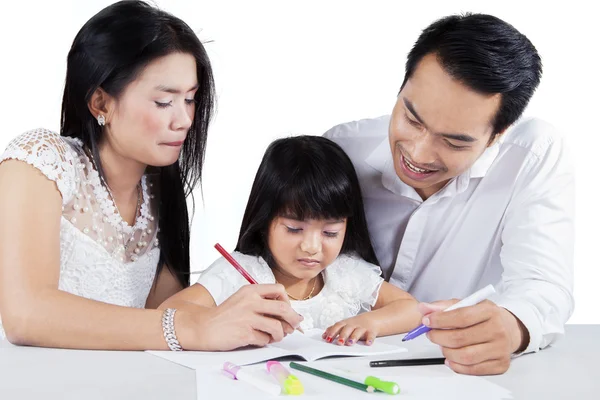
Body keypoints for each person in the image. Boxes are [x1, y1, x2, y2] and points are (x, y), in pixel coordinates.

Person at [0, 0, 302, 351]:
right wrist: (195, 327)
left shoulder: (160, 191)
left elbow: (159, 321)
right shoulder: (39, 162)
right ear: (100, 103)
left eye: (190, 99)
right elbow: (25, 316)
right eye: (164, 102)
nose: (185, 120)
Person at [324, 13, 574, 375]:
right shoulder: (341, 149)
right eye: (412, 119)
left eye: (454, 141)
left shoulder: (532, 155)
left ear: (498, 133)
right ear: (401, 87)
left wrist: (512, 326)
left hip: (448, 375)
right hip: (335, 368)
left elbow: (544, 285)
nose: (419, 154)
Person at [162, 136, 421, 345]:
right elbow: (169, 311)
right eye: (294, 229)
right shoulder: (240, 274)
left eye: (330, 233)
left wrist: (372, 323)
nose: (311, 247)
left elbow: (412, 309)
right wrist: (222, 319)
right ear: (265, 221)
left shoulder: (345, 272)